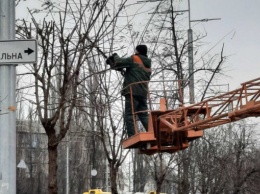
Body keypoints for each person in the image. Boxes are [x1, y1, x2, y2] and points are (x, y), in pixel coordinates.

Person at [106, 45, 152, 138]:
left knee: (130, 114)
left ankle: (132, 135)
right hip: (143, 93)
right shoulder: (148, 64)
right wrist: (114, 65)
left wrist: (115, 56)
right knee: (143, 115)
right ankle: (152, 132)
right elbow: (133, 71)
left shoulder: (134, 58)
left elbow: (119, 62)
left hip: (132, 91)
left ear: (137, 51)